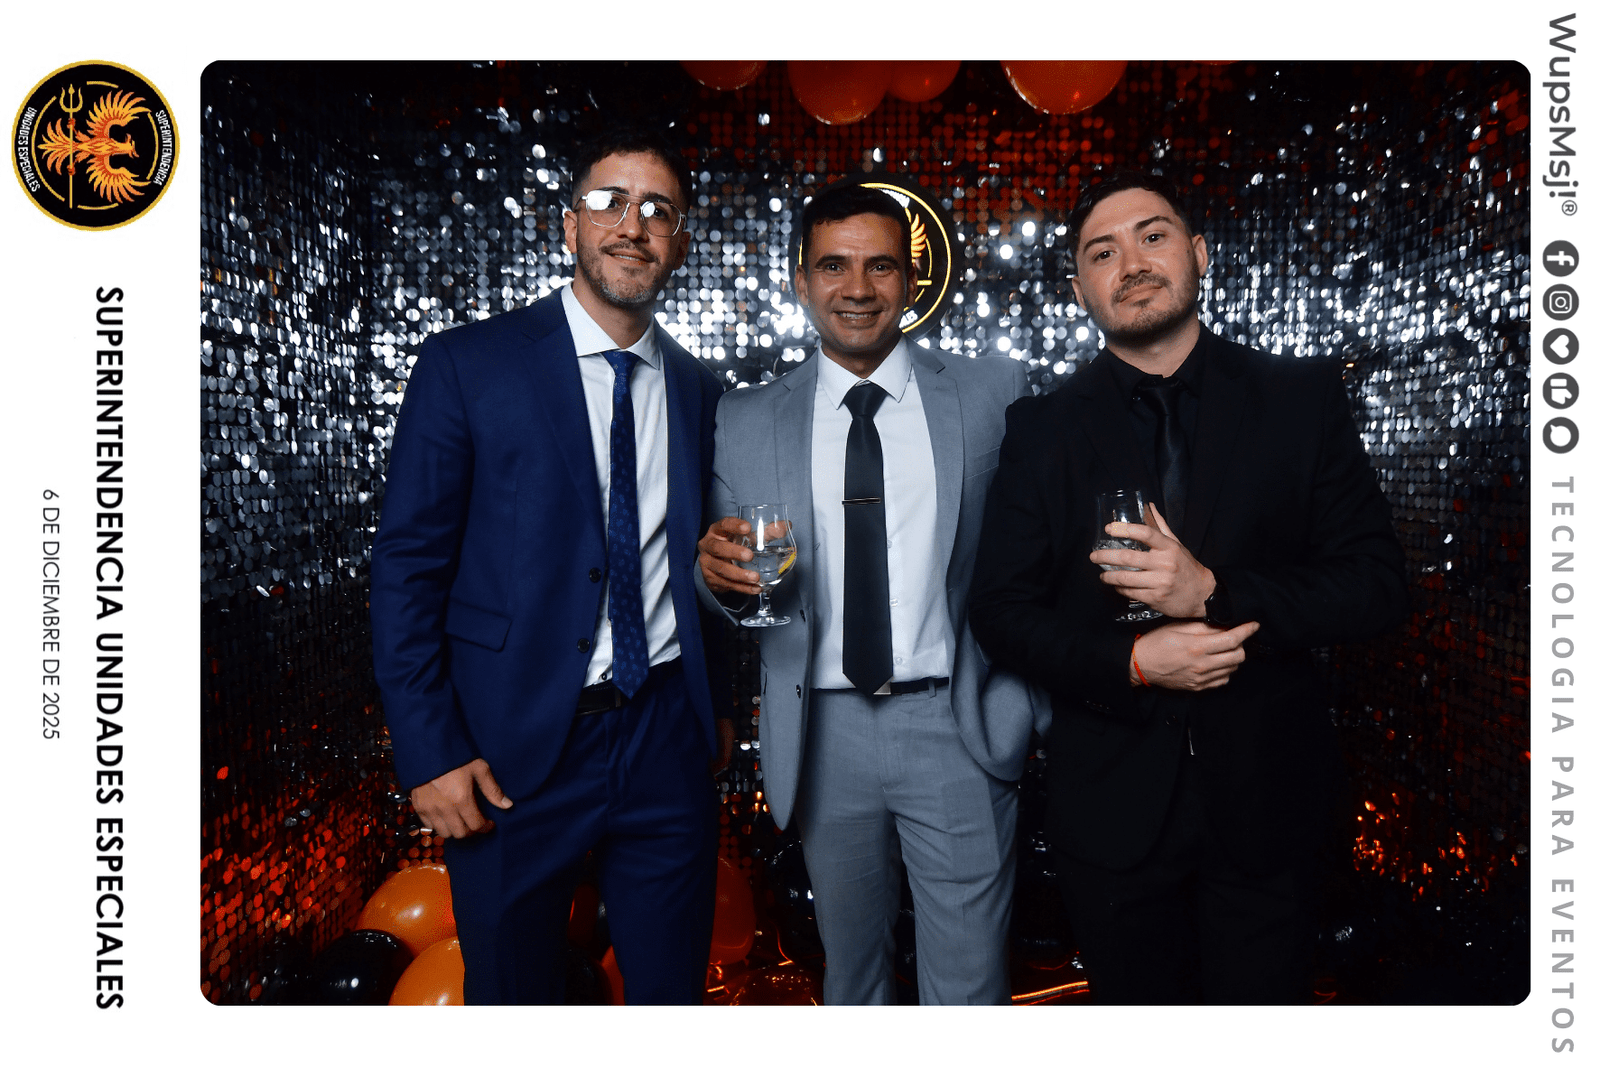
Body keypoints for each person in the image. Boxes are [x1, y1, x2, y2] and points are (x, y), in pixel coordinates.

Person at [969, 170, 1408, 1004]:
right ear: (1080, 289)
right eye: (1103, 252)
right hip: (1113, 812)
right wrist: (1133, 664)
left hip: (1270, 806)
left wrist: (1213, 593)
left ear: (1199, 253)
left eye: (1153, 235)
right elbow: (1000, 612)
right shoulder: (1041, 430)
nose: (1131, 262)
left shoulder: (1300, 400)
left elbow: (1378, 587)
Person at [370, 128, 732, 1005]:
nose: (632, 226)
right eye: (609, 202)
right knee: (513, 999)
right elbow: (408, 565)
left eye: (658, 211)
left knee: (671, 1001)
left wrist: (717, 704)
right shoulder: (467, 363)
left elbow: (703, 563)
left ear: (680, 243)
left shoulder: (699, 389)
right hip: (510, 746)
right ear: (569, 225)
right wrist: (429, 750)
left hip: (664, 735)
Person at [697, 182, 1044, 1004]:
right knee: (852, 980)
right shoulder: (743, 419)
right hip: (824, 731)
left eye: (881, 266)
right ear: (802, 280)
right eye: (834, 266)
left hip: (955, 720)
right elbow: (730, 581)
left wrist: (1031, 702)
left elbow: (1041, 545)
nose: (857, 287)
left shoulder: (994, 392)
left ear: (912, 281)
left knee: (970, 987)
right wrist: (719, 582)